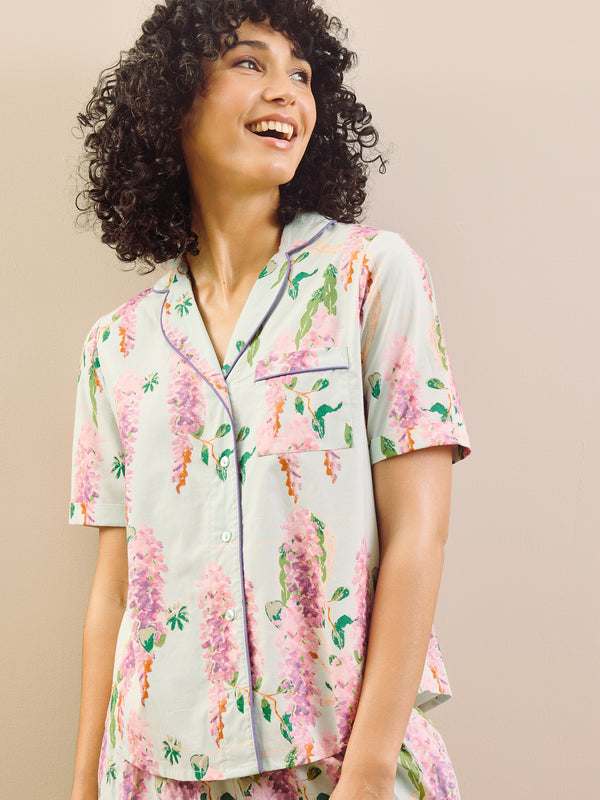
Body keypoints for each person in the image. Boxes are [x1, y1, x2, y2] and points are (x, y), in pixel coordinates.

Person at [69, 1, 471, 799]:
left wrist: (366, 773)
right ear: (175, 100)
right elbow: (116, 590)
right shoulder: (115, 347)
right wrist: (84, 787)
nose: (287, 90)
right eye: (250, 63)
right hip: (154, 770)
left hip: (340, 763)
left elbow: (420, 537)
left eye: (302, 74)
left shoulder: (369, 277)